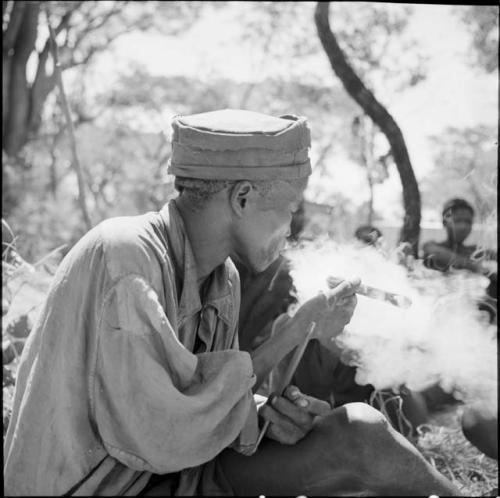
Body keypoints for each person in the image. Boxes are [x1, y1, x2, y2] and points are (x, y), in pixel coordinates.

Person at [4, 109, 461, 496]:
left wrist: (264, 412)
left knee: (360, 430)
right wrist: (296, 330)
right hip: (104, 487)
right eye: (288, 209)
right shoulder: (125, 254)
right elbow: (161, 430)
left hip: (176, 475)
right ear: (242, 197)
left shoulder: (224, 277)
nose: (290, 228)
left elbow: (203, 404)